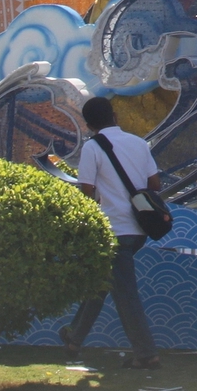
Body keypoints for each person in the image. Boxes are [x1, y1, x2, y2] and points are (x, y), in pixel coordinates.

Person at [60, 96, 161, 369]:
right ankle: (74, 339)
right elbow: (155, 183)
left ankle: (146, 353)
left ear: (90, 124)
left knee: (125, 294)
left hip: (113, 228)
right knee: (103, 282)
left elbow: (87, 190)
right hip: (139, 229)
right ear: (115, 116)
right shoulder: (140, 144)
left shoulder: (92, 148)